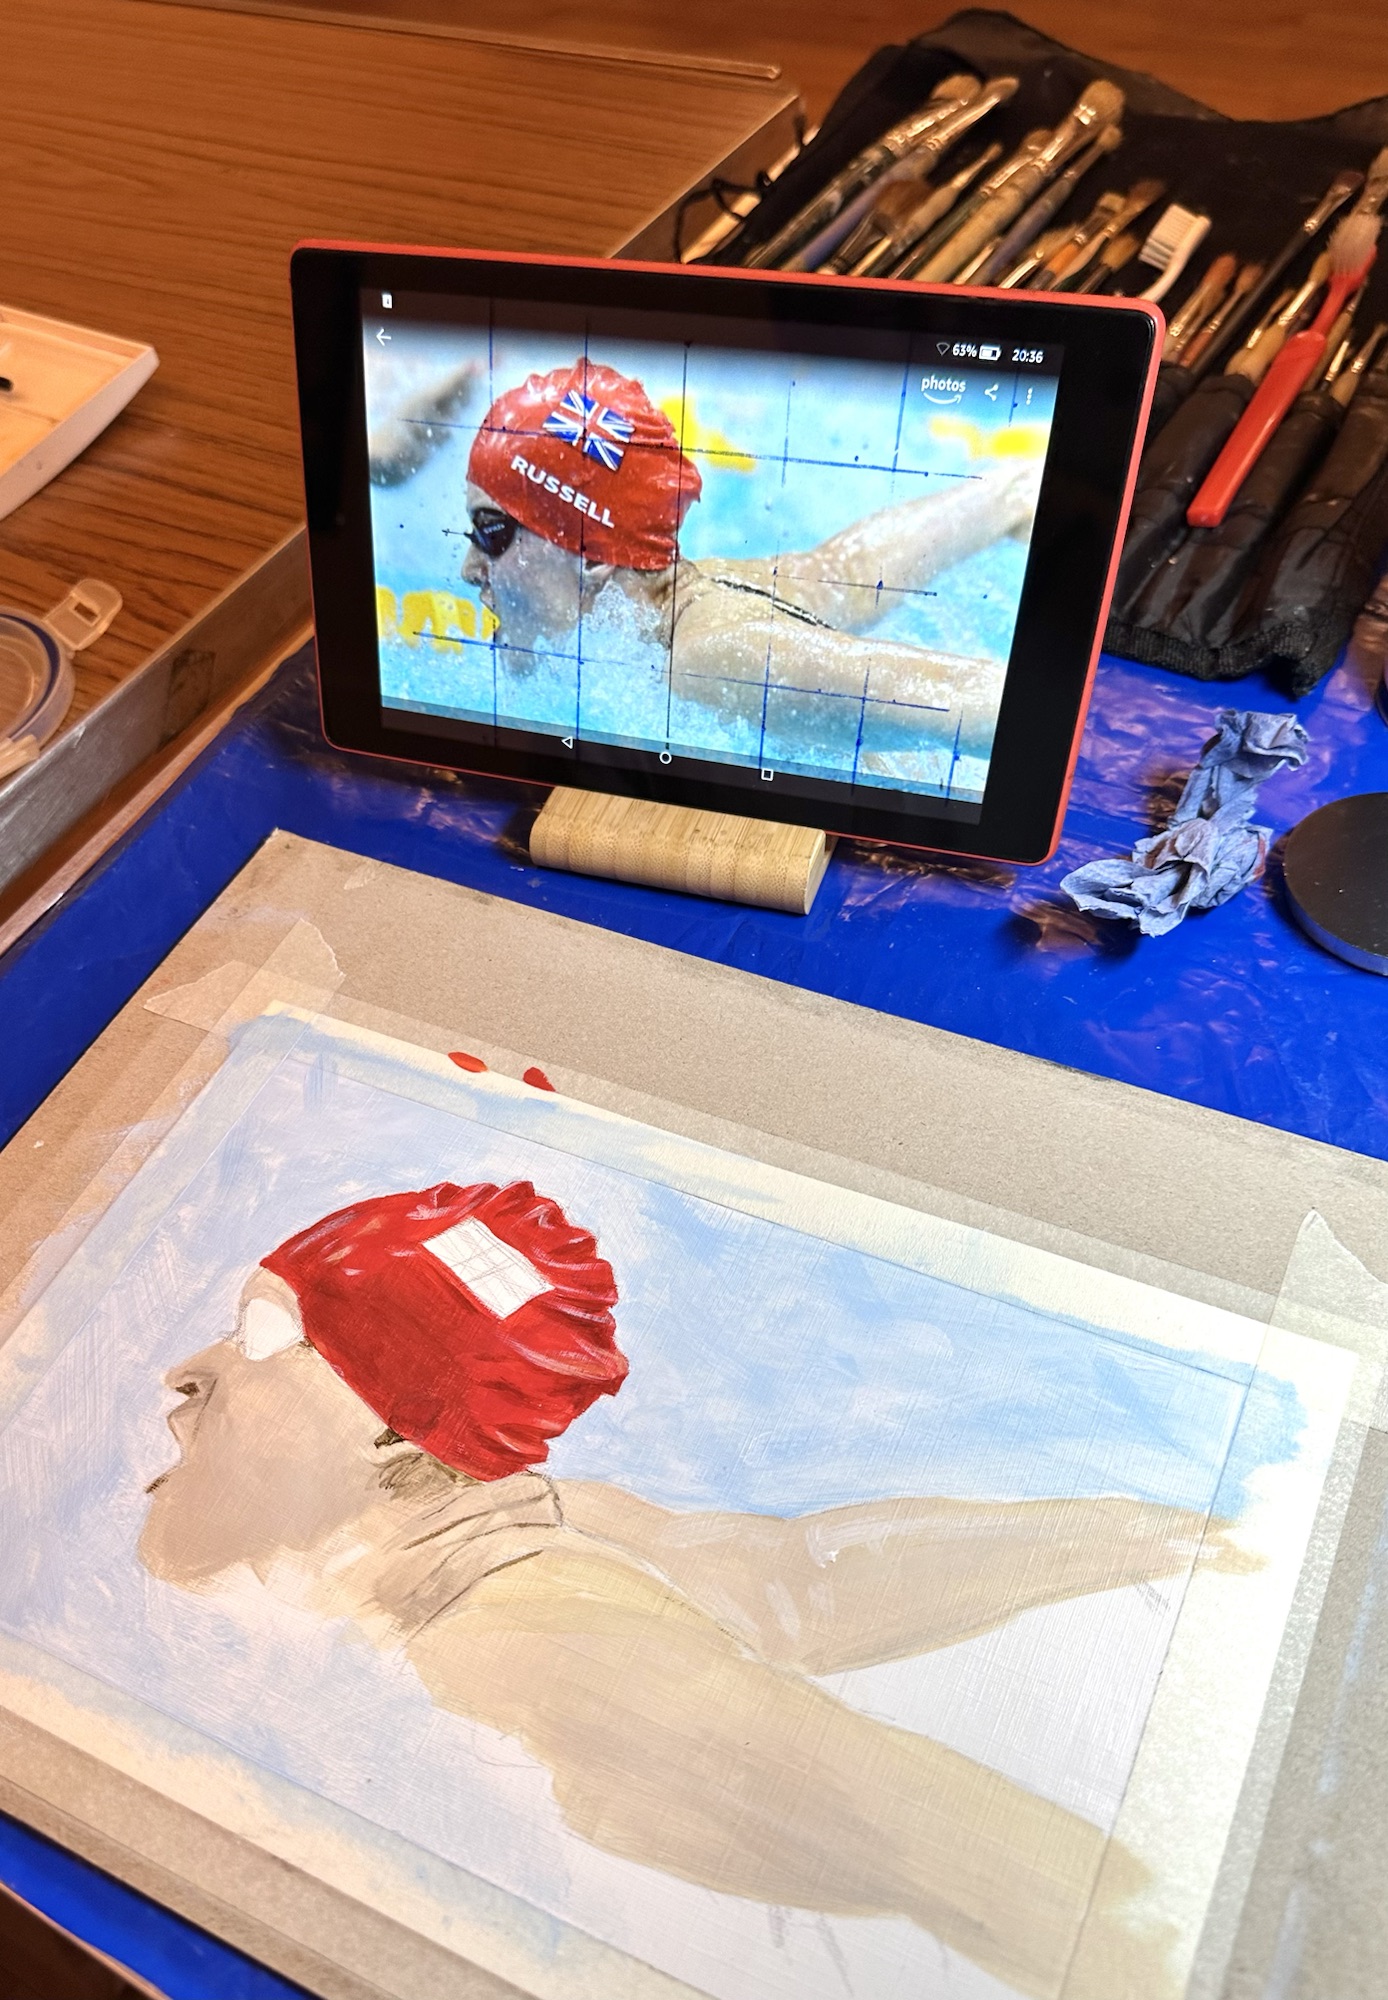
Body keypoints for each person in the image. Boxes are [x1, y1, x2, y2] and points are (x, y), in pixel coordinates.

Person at [141, 1177, 1217, 1997]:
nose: (186, 1370)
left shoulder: (522, 1642)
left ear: (392, 1431)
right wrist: (1133, 1540)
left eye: (259, 1339)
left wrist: (1161, 1948)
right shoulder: (542, 1523)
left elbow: (953, 1848)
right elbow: (793, 1582)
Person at [458, 359, 1041, 767]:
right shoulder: (703, 591)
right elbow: (848, 571)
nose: (468, 567)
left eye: (492, 533)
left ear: (592, 557)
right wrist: (1009, 494)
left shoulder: (718, 659)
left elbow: (984, 701)